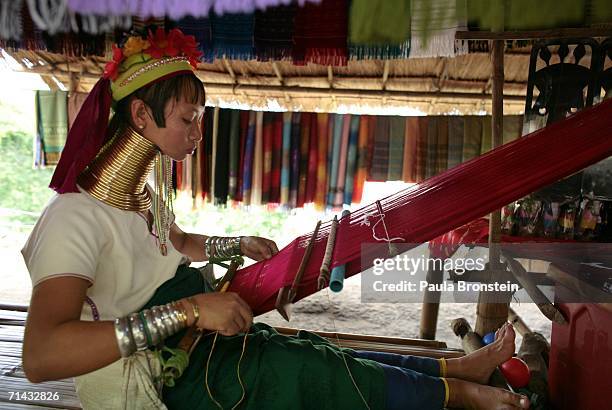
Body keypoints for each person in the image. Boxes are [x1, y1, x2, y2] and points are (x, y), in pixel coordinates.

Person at [21, 27, 530, 410]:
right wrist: (190, 312)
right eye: (188, 119)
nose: (198, 132)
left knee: (319, 351)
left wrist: (233, 244)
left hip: (194, 343)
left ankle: (456, 368)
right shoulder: (74, 218)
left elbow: (176, 240)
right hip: (163, 374)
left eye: (200, 119)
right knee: (312, 372)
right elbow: (42, 356)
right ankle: (459, 395)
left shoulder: (140, 196)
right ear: (140, 117)